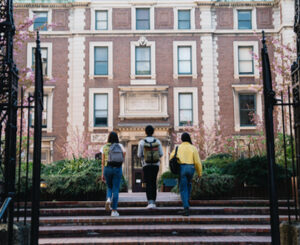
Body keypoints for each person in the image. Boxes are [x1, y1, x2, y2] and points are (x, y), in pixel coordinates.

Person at [169, 132, 202, 216]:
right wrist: (199, 173)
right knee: (189, 185)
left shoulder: (178, 148)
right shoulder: (193, 148)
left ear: (182, 139)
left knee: (183, 188)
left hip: (182, 168)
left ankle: (186, 208)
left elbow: (171, 157)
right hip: (191, 168)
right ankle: (187, 203)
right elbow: (197, 162)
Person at [137, 125, 163, 209]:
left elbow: (139, 154)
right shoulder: (157, 141)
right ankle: (154, 202)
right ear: (153, 132)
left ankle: (150, 202)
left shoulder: (142, 142)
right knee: (154, 182)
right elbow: (161, 154)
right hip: (156, 165)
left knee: (148, 183)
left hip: (146, 165)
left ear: (145, 132)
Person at [100, 131, 126, 217]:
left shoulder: (104, 147)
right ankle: (114, 211)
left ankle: (108, 199)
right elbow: (123, 156)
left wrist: (102, 173)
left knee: (109, 186)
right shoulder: (120, 146)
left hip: (107, 168)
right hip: (117, 169)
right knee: (116, 189)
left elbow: (103, 162)